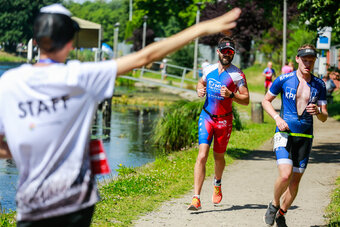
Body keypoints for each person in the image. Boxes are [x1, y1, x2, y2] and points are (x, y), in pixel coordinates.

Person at [0, 3, 241, 226]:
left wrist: (24, 150)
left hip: (31, 206)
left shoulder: (9, 83)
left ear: (35, 40)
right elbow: (145, 57)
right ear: (71, 43)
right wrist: (201, 28)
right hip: (75, 203)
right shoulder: (81, 76)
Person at [262, 44, 328, 227]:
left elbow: (324, 117)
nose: (308, 64)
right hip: (284, 133)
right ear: (297, 59)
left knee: (295, 180)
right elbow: (265, 101)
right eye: (305, 60)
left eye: (311, 61)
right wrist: (276, 118)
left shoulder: (319, 84)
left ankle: (282, 214)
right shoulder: (283, 79)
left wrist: (318, 112)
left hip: (305, 136)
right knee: (285, 175)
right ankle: (274, 204)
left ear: (314, 62)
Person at [188, 36, 249, 210]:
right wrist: (199, 88)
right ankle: (196, 198)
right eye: (224, 51)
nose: (227, 54)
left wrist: (232, 95)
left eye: (230, 52)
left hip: (224, 121)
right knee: (202, 155)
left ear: (233, 54)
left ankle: (217, 183)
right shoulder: (208, 69)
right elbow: (201, 82)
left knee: (218, 157)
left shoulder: (237, 75)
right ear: (218, 52)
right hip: (206, 116)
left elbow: (246, 100)